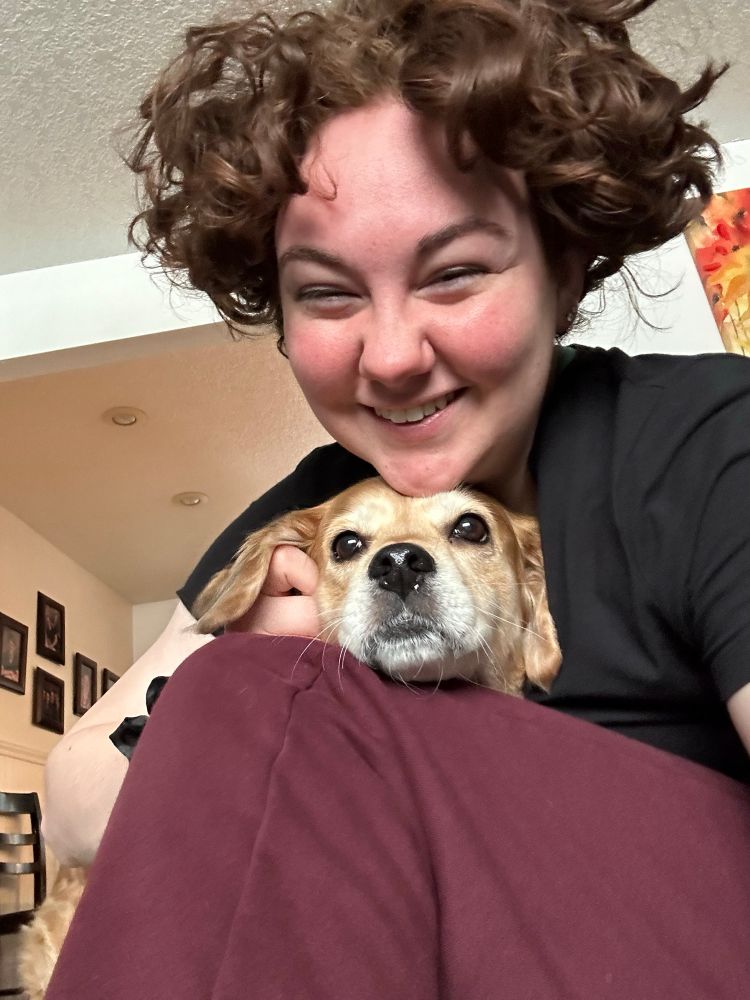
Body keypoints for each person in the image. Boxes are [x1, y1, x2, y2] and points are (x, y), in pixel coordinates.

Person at [42, 0, 750, 923]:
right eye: (328, 294)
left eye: (453, 273)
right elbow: (74, 812)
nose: (390, 357)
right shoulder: (312, 506)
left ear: (565, 268)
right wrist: (231, 666)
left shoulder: (706, 441)